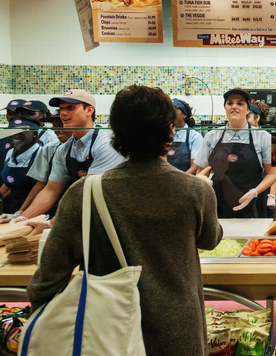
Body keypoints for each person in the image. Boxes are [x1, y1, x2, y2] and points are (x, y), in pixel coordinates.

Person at [27, 85, 222, 355]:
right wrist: (207, 193)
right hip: (177, 333)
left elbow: (47, 281)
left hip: (105, 334)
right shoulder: (196, 190)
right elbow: (210, 240)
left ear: (116, 133)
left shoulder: (84, 193)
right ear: (170, 131)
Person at [11, 89, 125, 222]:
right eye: (61, 108)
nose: (63, 113)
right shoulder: (64, 149)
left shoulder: (107, 143)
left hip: (113, 216)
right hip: (83, 214)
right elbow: (51, 191)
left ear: (89, 110)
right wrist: (23, 218)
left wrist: (52, 223)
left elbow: (88, 191)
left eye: (70, 108)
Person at [195, 88, 276, 219]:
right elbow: (200, 172)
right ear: (225, 108)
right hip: (216, 205)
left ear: (248, 109)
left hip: (252, 205)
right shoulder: (212, 136)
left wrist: (255, 192)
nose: (234, 107)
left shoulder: (263, 137)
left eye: (240, 103)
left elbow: (272, 174)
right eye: (230, 103)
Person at [0, 110, 73, 224]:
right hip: (43, 210)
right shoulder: (49, 149)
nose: (57, 130)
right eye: (54, 126)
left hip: (69, 209)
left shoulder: (93, 146)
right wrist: (20, 214)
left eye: (61, 125)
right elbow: (41, 185)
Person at [0, 117, 44, 219]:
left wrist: (20, 213)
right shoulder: (10, 153)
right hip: (12, 208)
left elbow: (40, 185)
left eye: (22, 131)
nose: (16, 134)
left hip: (33, 210)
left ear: (34, 134)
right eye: (13, 130)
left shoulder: (41, 153)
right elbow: (10, 181)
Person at [247, 102, 276, 217]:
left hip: (263, 192)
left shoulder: (266, 137)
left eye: (248, 116)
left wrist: (271, 196)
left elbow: (275, 172)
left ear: (257, 117)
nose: (245, 121)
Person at [168, 99, 204, 173]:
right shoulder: (163, 135)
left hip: (186, 181)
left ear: (184, 114)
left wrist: (181, 181)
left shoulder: (194, 137)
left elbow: (195, 167)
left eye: (173, 109)